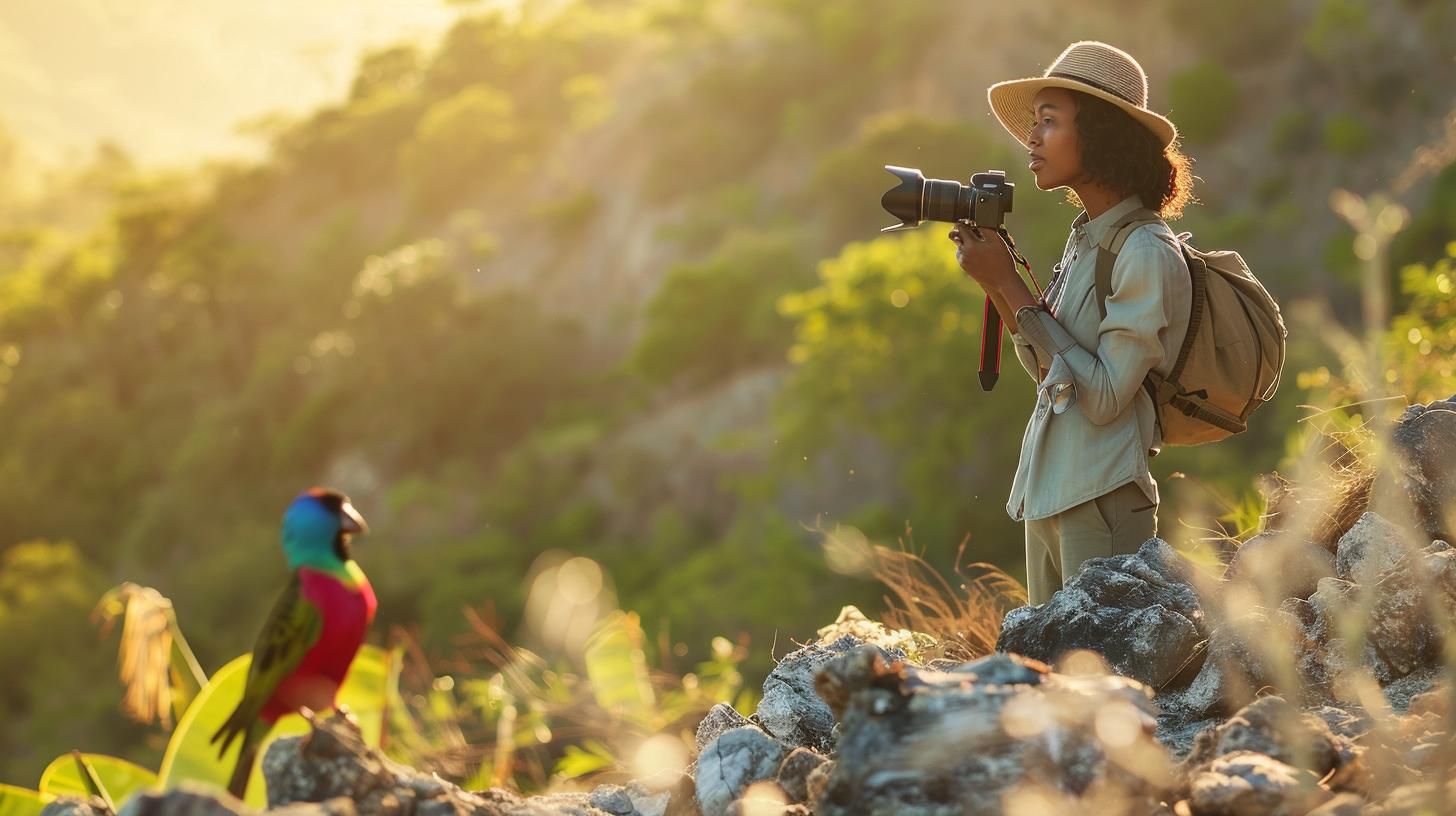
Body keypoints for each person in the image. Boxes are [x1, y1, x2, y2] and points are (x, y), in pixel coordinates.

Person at [951, 41, 1196, 605]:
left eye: (1050, 121)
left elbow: (1106, 396)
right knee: (1054, 688)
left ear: (1101, 134)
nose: (1032, 139)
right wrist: (993, 280)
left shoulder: (1145, 251)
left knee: (1102, 689)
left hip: (1103, 500)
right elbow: (1047, 368)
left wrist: (1011, 285)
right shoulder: (1088, 241)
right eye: (1035, 122)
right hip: (1051, 495)